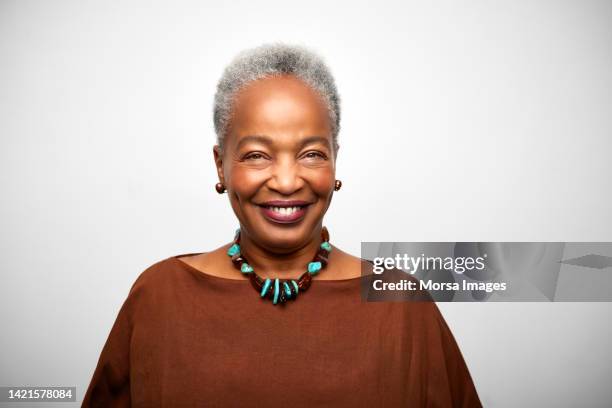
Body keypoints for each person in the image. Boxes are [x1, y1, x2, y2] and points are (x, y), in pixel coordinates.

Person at [82, 43, 482, 407]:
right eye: (257, 155)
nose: (288, 182)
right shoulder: (160, 297)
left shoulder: (400, 306)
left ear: (335, 161)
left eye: (311, 154)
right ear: (220, 164)